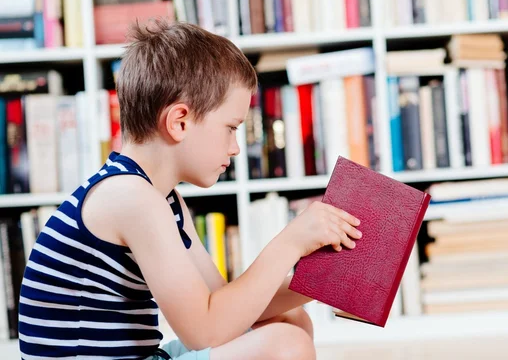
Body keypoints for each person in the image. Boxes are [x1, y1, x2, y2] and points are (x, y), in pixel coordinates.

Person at [18, 19, 362, 360]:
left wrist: (324, 280)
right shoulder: (130, 197)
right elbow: (203, 329)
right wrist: (290, 243)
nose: (235, 148)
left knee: (290, 320)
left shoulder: (161, 198)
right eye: (230, 128)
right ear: (179, 122)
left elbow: (223, 303)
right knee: (287, 345)